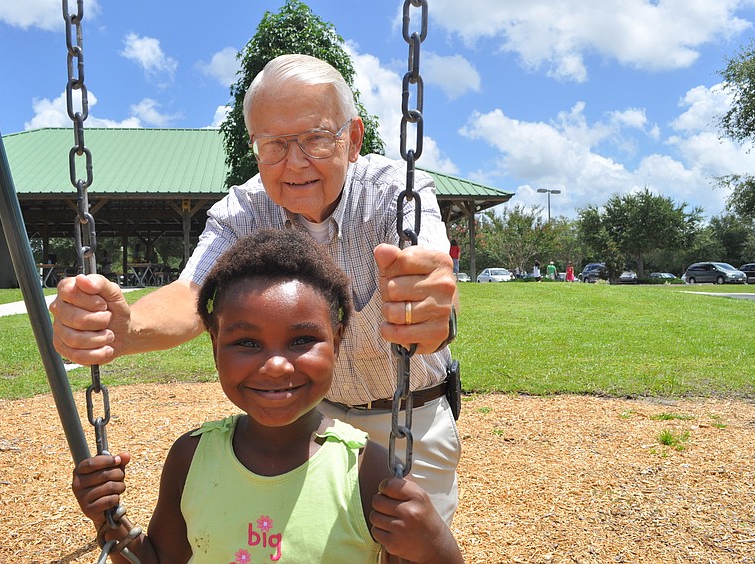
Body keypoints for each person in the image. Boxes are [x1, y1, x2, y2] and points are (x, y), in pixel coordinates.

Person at [51, 54, 461, 525]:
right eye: (274, 145)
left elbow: (428, 282)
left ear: (352, 139)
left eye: (315, 138)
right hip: (312, 421)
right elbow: (192, 294)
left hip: (409, 418)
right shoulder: (243, 210)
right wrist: (126, 328)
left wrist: (429, 311)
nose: (295, 163)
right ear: (255, 147)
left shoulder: (395, 194)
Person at [71, 230, 463, 563]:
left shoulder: (366, 471)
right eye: (246, 342)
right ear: (214, 345)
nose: (276, 365)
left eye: (302, 340)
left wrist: (437, 545)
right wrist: (109, 520)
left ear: (338, 340)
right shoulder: (191, 459)